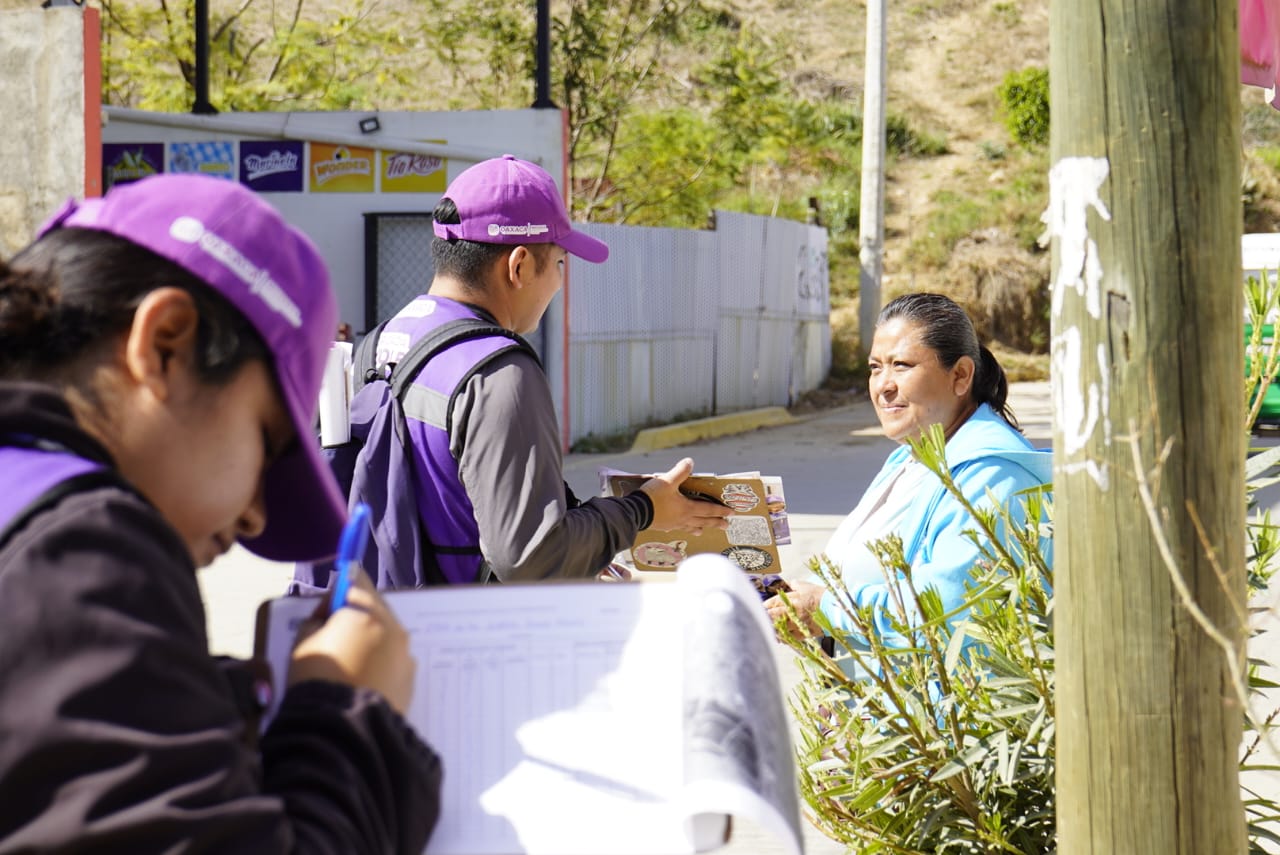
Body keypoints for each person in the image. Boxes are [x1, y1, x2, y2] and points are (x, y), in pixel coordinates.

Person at [0, 174, 441, 851]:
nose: (256, 517)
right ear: (167, 344)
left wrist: (192, 706)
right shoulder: (82, 548)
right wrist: (348, 714)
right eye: (268, 445)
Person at [299, 154, 730, 587]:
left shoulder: (377, 345)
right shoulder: (499, 373)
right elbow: (531, 557)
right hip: (468, 638)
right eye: (560, 263)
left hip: (383, 626)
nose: (561, 283)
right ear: (519, 265)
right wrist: (644, 510)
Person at [764, 292, 1051, 663]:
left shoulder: (993, 475)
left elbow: (951, 609)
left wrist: (826, 610)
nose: (883, 385)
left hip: (942, 718)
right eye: (874, 367)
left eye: (901, 365)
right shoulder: (910, 458)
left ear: (961, 375)